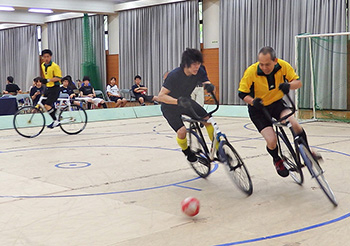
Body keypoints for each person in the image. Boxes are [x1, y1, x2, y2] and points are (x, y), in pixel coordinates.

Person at [238, 46, 319, 178]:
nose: (264, 67)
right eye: (261, 64)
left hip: (276, 104)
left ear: (275, 60)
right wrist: (253, 101)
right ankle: (277, 160)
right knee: (271, 140)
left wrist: (289, 85)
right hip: (258, 109)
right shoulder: (251, 71)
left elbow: (298, 83)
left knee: (294, 124)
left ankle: (307, 153)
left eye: (267, 64)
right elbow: (242, 94)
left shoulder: (283, 66)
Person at [157, 48, 215, 162]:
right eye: (193, 64)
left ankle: (217, 150)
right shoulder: (174, 75)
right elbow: (161, 96)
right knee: (182, 131)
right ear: (185, 64)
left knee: (208, 120)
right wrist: (177, 101)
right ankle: (186, 151)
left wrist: (209, 86)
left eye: (198, 63)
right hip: (170, 106)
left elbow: (206, 82)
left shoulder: (200, 71)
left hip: (186, 102)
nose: (196, 67)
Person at [40, 49, 62, 128]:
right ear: (42, 57)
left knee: (47, 105)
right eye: (44, 57)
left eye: (48, 57)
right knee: (42, 102)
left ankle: (56, 121)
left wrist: (48, 80)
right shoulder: (42, 65)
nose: (46, 58)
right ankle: (56, 112)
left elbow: (59, 78)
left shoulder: (55, 66)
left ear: (51, 57)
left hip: (55, 88)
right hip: (48, 87)